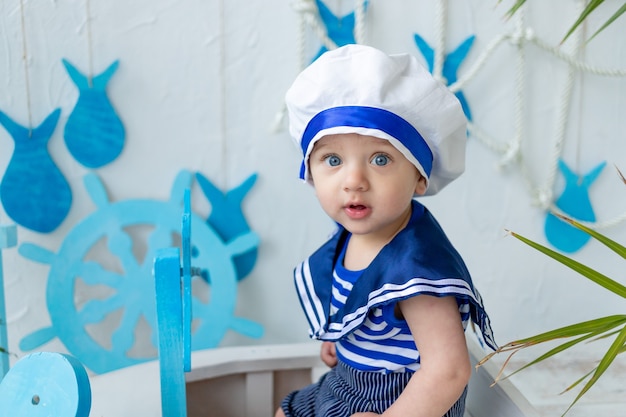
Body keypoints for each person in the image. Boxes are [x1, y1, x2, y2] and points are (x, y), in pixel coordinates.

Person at [276, 44, 497, 417]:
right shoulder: (350, 238)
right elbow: (362, 312)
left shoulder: (418, 270)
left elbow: (449, 371)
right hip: (347, 382)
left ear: (419, 178)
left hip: (400, 400)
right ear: (310, 172)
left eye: (380, 159)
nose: (354, 180)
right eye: (333, 160)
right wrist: (345, 340)